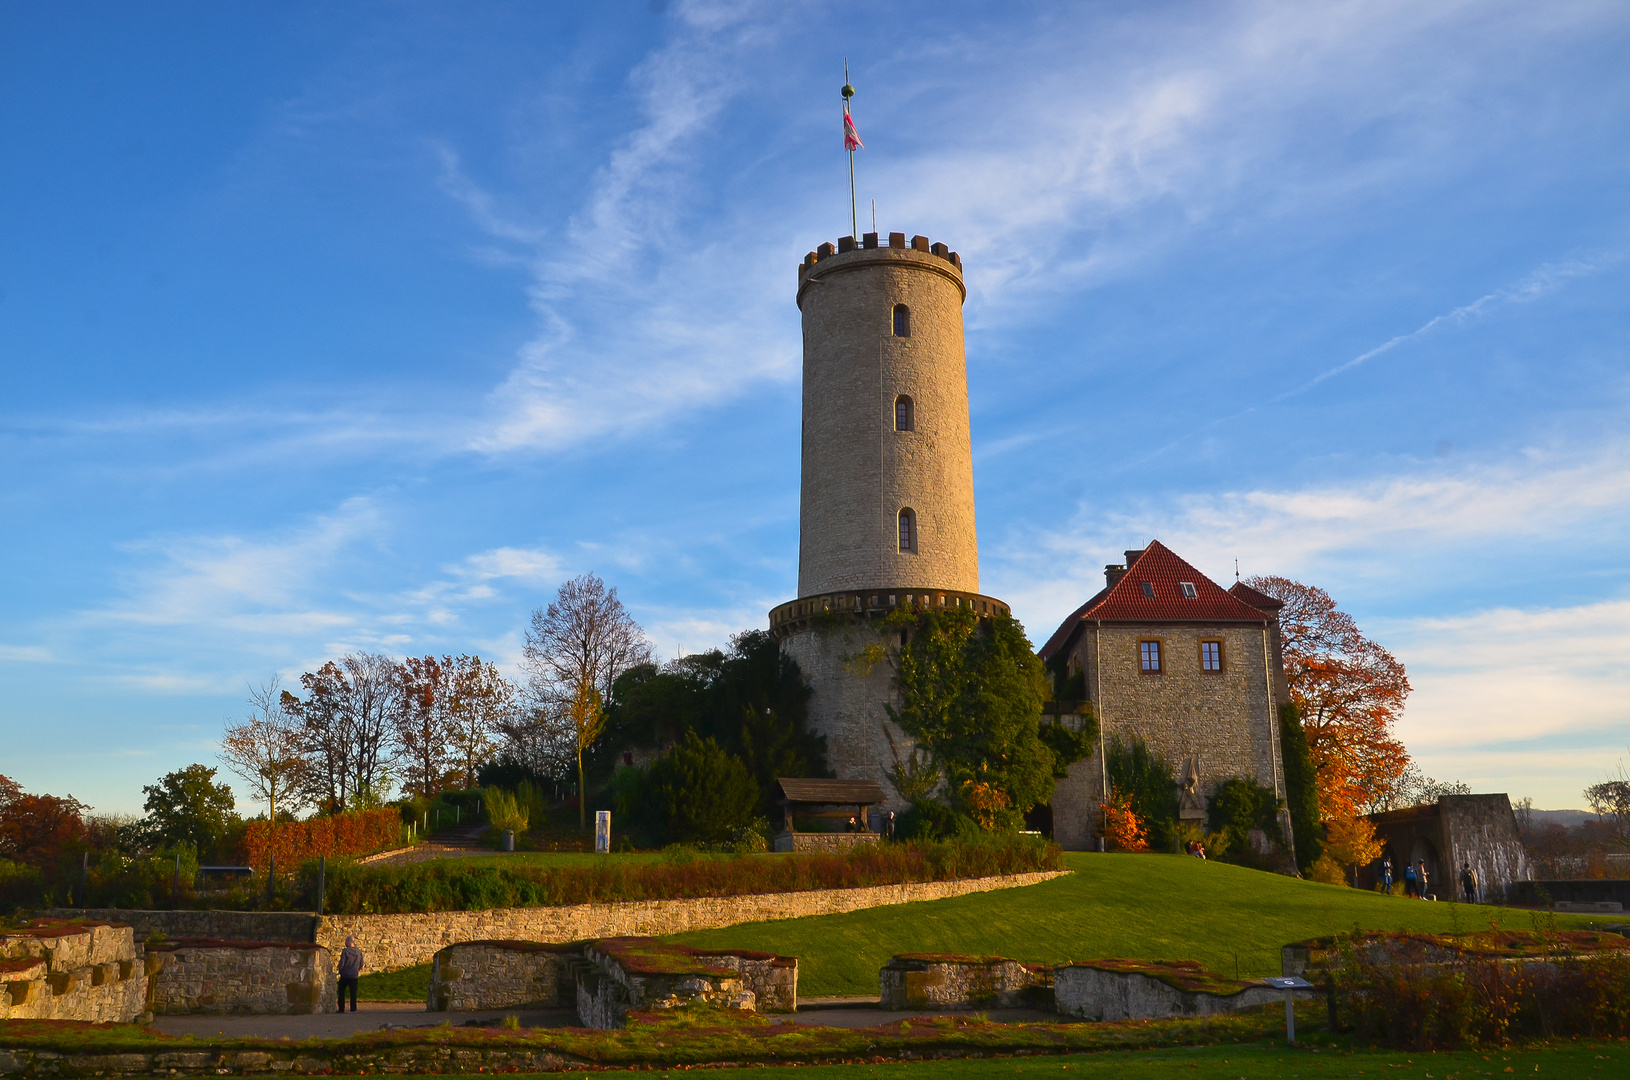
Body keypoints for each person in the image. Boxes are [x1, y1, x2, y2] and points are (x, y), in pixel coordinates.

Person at [337, 935, 364, 1013]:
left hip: (345, 975)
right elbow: (361, 963)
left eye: (346, 942)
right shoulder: (359, 952)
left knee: (341, 992)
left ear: (349, 942)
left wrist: (340, 970)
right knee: (353, 993)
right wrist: (357, 970)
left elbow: (342, 963)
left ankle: (341, 1009)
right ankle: (353, 1008)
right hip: (354, 975)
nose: (345, 943)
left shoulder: (345, 951)